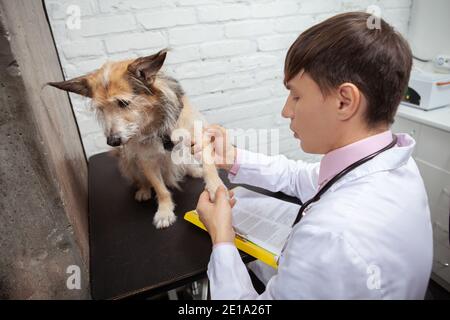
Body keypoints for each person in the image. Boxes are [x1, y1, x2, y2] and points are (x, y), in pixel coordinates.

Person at [193, 12, 432, 299]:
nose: (286, 111)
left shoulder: (330, 235)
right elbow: (302, 177)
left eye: (295, 96)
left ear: (345, 101)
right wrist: (231, 157)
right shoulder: (394, 163)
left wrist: (222, 238)